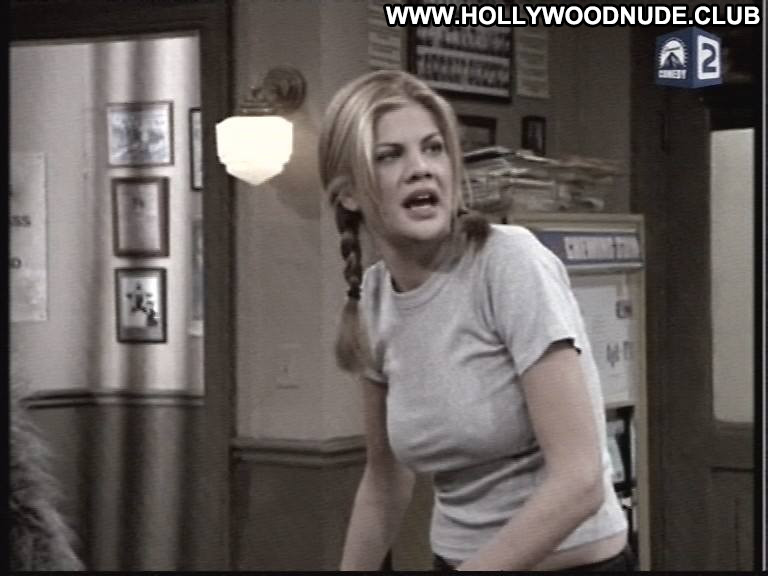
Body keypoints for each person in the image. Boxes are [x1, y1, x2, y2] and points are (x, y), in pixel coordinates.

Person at [317, 69, 633, 571]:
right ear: (349, 193)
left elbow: (580, 482)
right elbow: (384, 481)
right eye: (390, 155)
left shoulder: (508, 263)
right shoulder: (374, 299)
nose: (421, 169)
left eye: (434, 148)